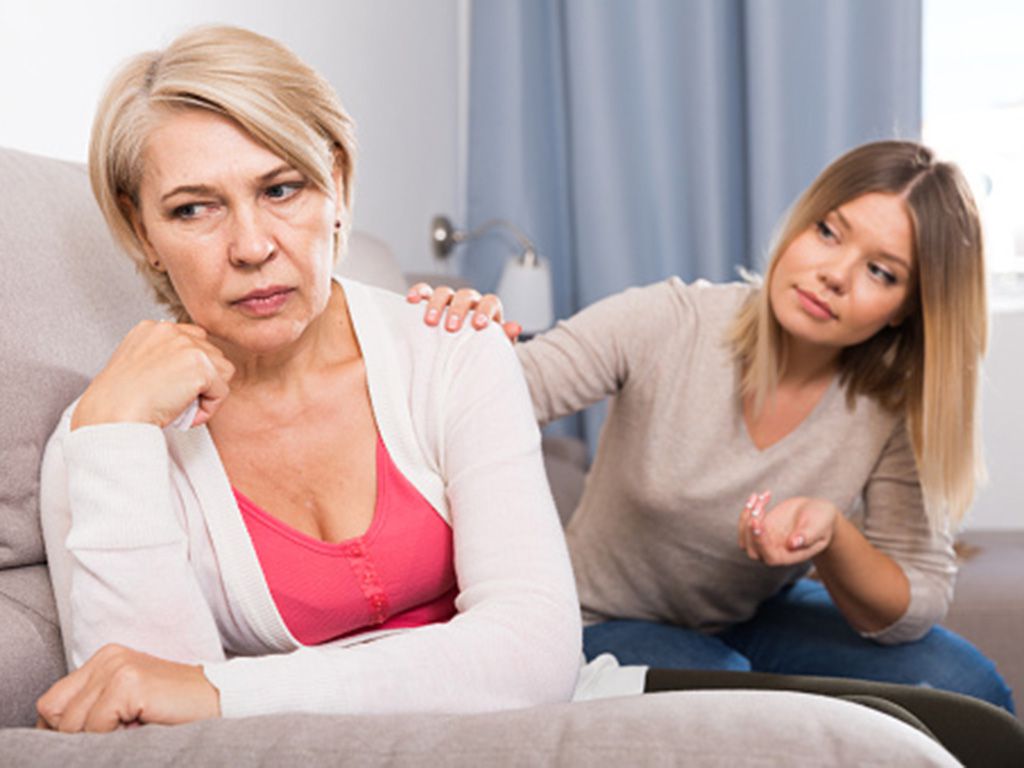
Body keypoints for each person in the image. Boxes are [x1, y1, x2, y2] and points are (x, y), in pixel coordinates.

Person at [34, 25, 583, 733]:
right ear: (144, 234)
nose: (252, 246)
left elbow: (536, 654)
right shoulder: (104, 436)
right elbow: (148, 724)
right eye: (193, 208)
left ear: (338, 186)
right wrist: (113, 438)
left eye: (282, 189)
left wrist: (225, 693)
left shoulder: (452, 349)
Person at [409, 140, 1016, 714]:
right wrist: (456, 345)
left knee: (968, 689)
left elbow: (916, 598)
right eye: (828, 232)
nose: (835, 274)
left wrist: (833, 537)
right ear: (800, 223)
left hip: (752, 614)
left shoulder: (891, 405)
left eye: (880, 272)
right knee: (734, 701)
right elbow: (496, 395)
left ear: (908, 309)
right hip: (600, 618)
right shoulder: (671, 321)